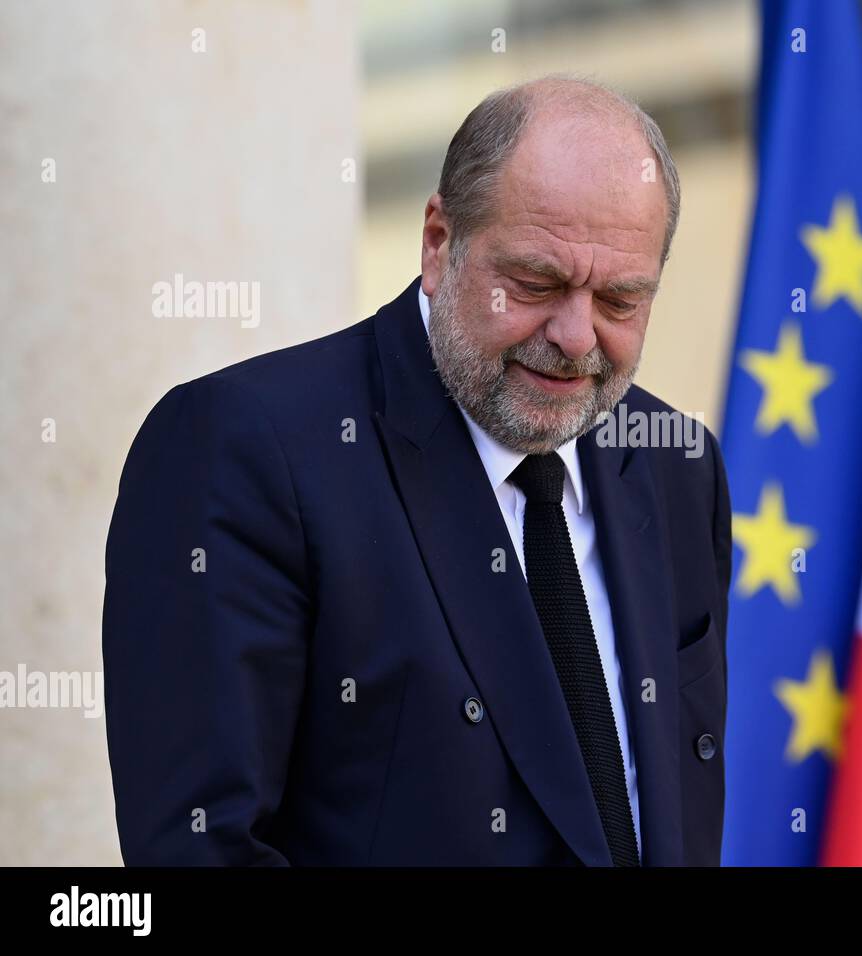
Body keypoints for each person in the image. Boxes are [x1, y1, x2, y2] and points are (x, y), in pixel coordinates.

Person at [103, 76, 731, 866]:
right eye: (536, 284)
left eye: (620, 300)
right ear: (439, 242)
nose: (577, 337)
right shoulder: (244, 449)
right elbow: (203, 852)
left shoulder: (678, 464)